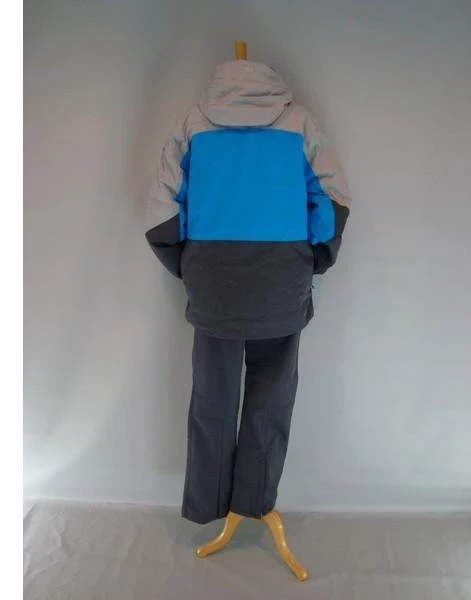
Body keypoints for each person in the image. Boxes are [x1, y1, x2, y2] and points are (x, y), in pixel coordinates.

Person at [144, 59, 351, 524]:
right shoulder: (300, 124)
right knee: (272, 397)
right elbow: (333, 199)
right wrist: (314, 259)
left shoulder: (193, 125)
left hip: (213, 281)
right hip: (282, 280)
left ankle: (208, 505)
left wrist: (185, 264)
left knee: (211, 398)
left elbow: (161, 205)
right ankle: (253, 504)